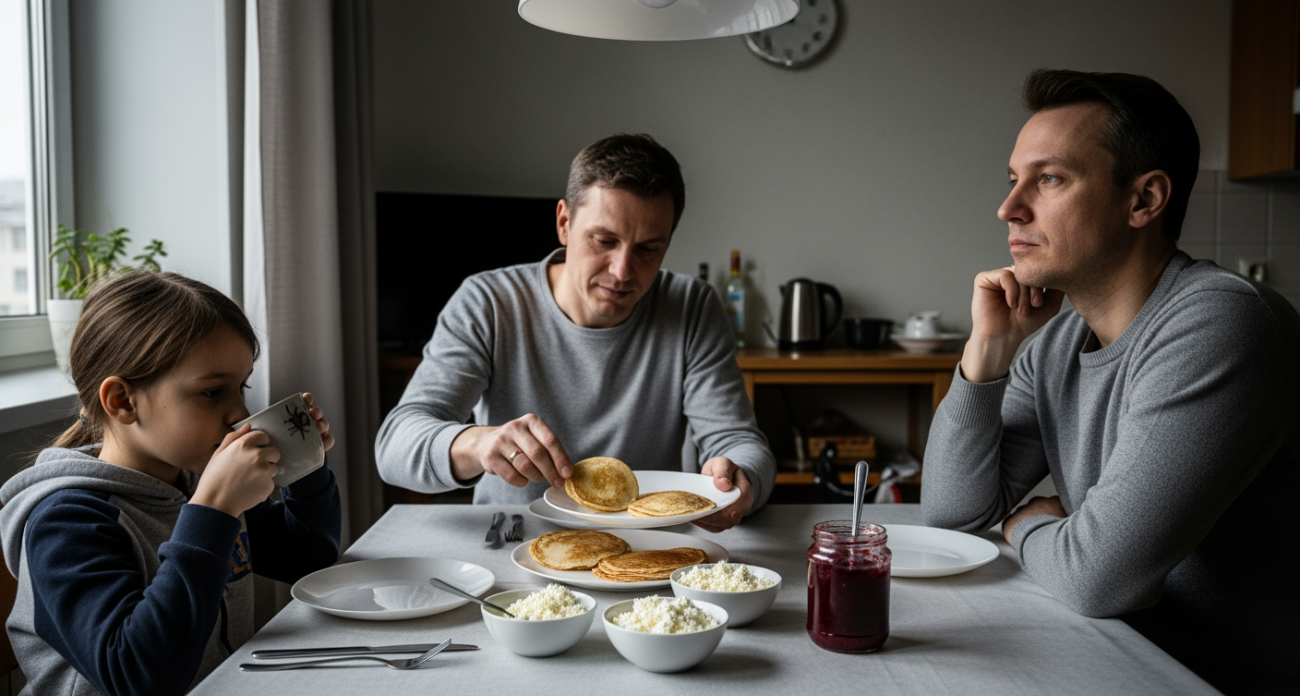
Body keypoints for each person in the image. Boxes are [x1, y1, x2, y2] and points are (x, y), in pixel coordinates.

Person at [921, 69, 1300, 694]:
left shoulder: (1219, 323)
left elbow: (1095, 579)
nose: (1009, 207)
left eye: (1049, 179)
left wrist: (1024, 525)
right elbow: (951, 517)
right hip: (1133, 660)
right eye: (1013, 180)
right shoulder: (1058, 344)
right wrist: (987, 353)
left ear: (1144, 200)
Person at [376, 133, 775, 532]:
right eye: (604, 241)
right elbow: (394, 447)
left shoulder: (692, 307)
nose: (622, 271)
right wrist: (478, 443)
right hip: (515, 539)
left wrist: (739, 479)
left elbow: (740, 442)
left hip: (650, 546)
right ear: (564, 223)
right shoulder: (488, 302)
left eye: (648, 249)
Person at [0, 270, 342, 695]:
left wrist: (305, 467)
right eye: (213, 392)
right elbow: (140, 677)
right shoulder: (67, 523)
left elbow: (308, 558)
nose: (240, 412)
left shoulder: (197, 481)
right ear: (122, 401)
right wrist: (213, 511)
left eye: (241, 386)